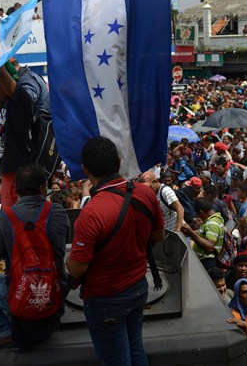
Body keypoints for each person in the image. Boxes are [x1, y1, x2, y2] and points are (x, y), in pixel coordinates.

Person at [66, 137, 165, 366]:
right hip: (139, 287)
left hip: (105, 299)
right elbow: (158, 236)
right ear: (119, 162)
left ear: (85, 170)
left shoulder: (91, 213)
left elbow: (77, 267)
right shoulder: (146, 193)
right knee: (136, 348)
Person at [0, 164, 69, 350]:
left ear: (15, 189)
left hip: (19, 295)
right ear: (43, 188)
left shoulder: (3, 218)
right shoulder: (59, 213)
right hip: (55, 299)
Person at [0, 22, 50, 206]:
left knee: (15, 223)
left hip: (20, 175)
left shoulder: (21, 98)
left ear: (7, 83)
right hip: (8, 173)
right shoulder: (3, 99)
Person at [180, 197, 225, 270]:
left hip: (207, 263)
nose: (198, 217)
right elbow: (202, 233)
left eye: (198, 215)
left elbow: (210, 247)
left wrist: (191, 233)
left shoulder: (212, 223)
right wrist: (188, 231)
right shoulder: (212, 220)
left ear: (201, 212)